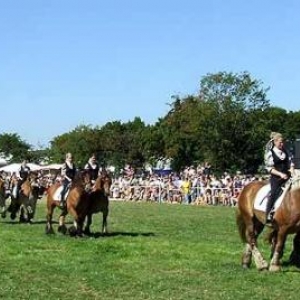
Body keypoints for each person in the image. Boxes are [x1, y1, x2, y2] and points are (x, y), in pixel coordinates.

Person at [264, 132, 294, 224]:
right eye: (280, 142)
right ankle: (268, 214)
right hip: (276, 179)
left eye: (283, 142)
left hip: (288, 177)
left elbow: (291, 163)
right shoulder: (270, 153)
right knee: (274, 193)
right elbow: (270, 169)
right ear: (275, 142)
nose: (282, 144)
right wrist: (280, 174)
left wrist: (292, 169)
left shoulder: (286, 151)